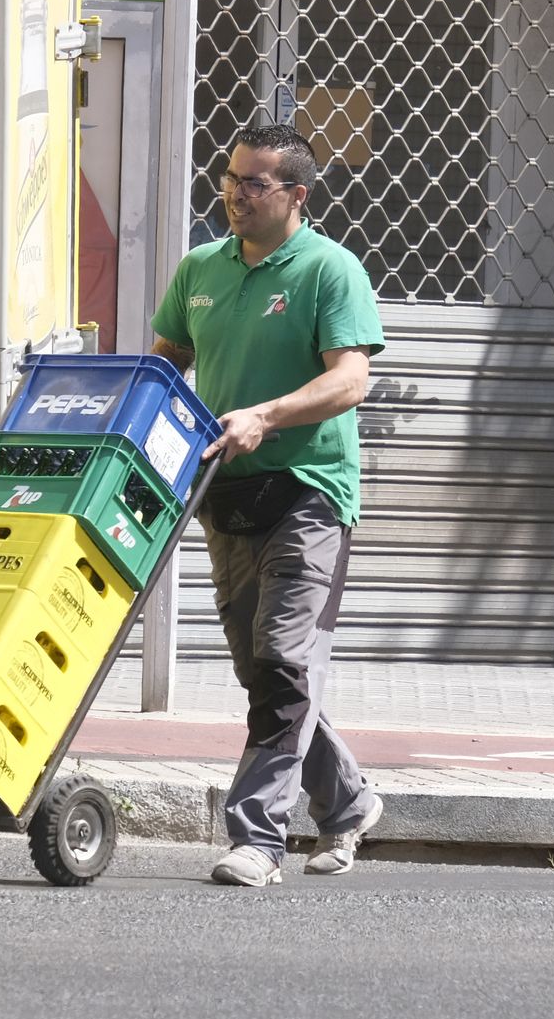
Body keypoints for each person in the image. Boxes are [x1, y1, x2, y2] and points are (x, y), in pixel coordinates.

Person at [150, 124, 385, 886]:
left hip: (309, 492)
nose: (235, 194)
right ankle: (348, 800)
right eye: (230, 178)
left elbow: (351, 379)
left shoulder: (329, 270)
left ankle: (258, 837)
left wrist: (266, 415)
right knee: (263, 671)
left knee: (284, 660)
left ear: (296, 195)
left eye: (254, 183)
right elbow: (165, 363)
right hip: (225, 495)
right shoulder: (200, 268)